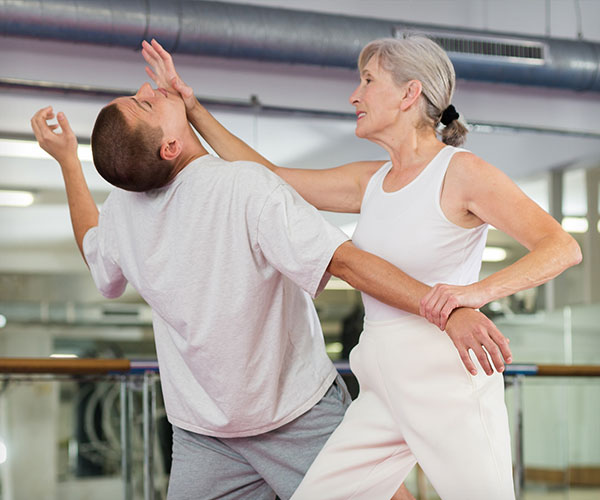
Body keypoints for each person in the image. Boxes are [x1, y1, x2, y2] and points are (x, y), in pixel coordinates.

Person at [30, 61, 510, 499]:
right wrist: (447, 309)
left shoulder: (121, 215)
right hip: (245, 429)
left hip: (235, 425)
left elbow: (98, 261)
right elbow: (344, 262)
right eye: (145, 102)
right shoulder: (244, 187)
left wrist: (68, 161)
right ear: (170, 146)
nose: (145, 87)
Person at [140, 36, 582, 500]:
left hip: (446, 381)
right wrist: (191, 106)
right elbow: (265, 176)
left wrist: (476, 293)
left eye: (368, 81)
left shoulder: (462, 172)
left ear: (410, 94)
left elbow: (561, 247)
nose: (355, 94)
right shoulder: (369, 181)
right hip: (380, 382)